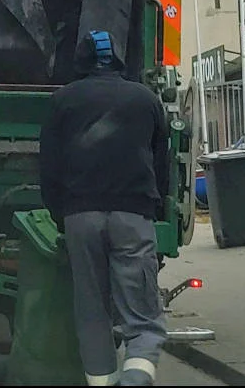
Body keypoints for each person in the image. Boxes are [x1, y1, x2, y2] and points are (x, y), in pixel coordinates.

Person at [38, 29, 171, 387]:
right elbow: (162, 162)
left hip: (80, 215)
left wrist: (59, 213)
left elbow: (49, 165)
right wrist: (155, 208)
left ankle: (102, 382)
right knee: (141, 314)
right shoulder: (145, 99)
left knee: (92, 310)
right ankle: (136, 378)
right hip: (132, 215)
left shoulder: (63, 100)